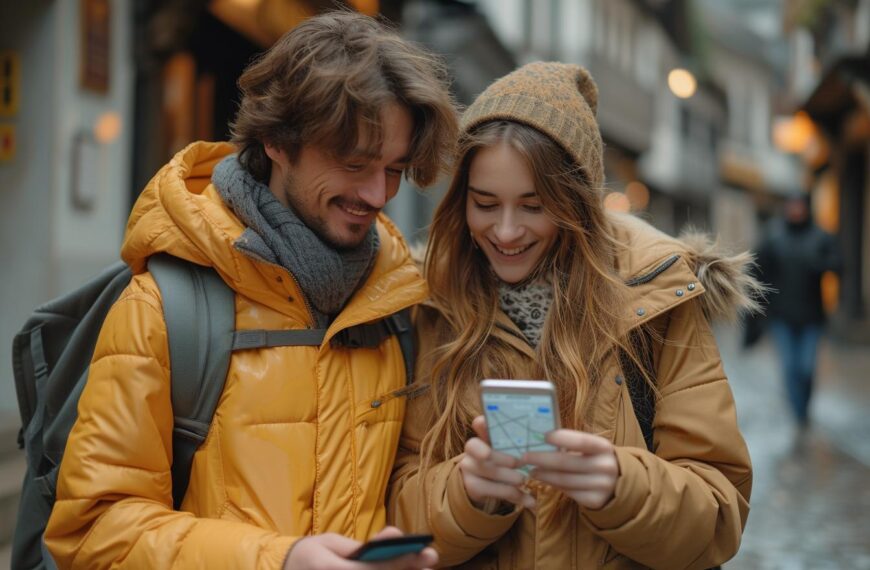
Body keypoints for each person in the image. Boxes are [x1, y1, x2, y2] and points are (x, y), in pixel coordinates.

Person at [44, 11, 457, 569]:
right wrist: (278, 561)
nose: (377, 193)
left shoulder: (398, 305)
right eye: (355, 162)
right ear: (278, 141)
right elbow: (91, 530)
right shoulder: (165, 306)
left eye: (394, 169)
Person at [387, 62, 761, 569]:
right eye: (485, 203)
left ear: (576, 205)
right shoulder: (429, 307)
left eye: (534, 206)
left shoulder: (657, 304)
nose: (506, 231)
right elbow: (394, 513)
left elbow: (718, 516)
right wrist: (467, 494)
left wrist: (620, 485)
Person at [755, 194, 841, 426]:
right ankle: (798, 415)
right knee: (790, 367)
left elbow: (839, 264)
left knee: (806, 368)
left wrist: (819, 263)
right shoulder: (773, 237)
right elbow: (758, 273)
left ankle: (803, 408)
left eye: (800, 206)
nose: (796, 211)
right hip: (781, 317)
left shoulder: (820, 236)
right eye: (792, 206)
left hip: (812, 317)